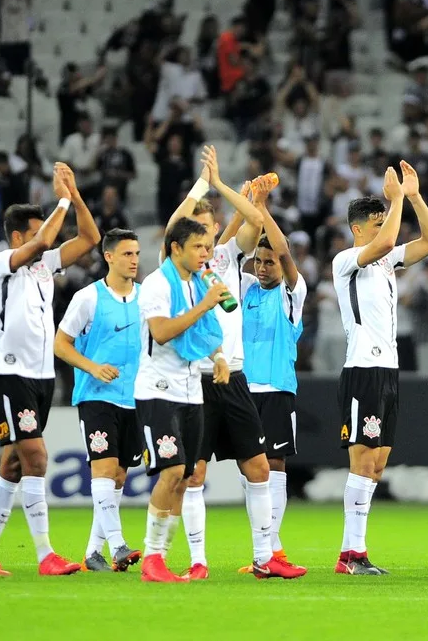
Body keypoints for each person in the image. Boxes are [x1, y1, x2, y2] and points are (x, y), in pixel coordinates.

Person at [163, 147, 303, 580]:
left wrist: (224, 185)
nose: (204, 242)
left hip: (236, 378)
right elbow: (172, 227)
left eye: (209, 231)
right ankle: (198, 562)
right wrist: (203, 184)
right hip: (198, 379)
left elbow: (257, 222)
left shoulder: (225, 261)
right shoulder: (177, 270)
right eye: (197, 234)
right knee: (195, 474)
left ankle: (265, 559)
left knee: (259, 467)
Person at [0, 164, 101, 577]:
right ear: (17, 237)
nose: (48, 237)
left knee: (12, 464)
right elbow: (46, 239)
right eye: (37, 231)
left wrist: (75, 195)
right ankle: (45, 554)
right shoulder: (0, 263)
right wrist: (60, 198)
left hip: (41, 376)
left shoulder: (44, 266)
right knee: (36, 457)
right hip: (10, 374)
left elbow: (91, 239)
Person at [333, 161, 428, 575]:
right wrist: (394, 201)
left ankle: (354, 551)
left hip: (388, 370)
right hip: (363, 369)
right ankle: (351, 554)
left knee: (377, 465)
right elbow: (386, 243)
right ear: (358, 228)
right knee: (363, 462)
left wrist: (412, 196)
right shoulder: (348, 260)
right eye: (377, 222)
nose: (385, 228)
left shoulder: (384, 261)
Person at [135, 217, 228, 583]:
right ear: (176, 248)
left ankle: (162, 559)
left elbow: (202, 331)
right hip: (157, 389)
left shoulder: (195, 283)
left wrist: (218, 355)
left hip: (190, 389)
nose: (205, 254)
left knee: (185, 477)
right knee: (172, 471)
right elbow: (160, 333)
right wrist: (205, 305)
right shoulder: (158, 284)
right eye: (198, 247)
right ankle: (151, 559)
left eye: (207, 247)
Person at [54, 228, 144, 572]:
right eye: (127, 254)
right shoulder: (88, 298)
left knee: (119, 476)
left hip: (134, 399)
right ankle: (119, 545)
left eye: (136, 254)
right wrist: (92, 367)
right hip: (96, 398)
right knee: (104, 469)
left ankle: (93, 552)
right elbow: (61, 344)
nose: (134, 260)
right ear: (109, 256)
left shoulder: (145, 298)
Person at [235, 175, 309, 576]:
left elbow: (282, 248)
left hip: (278, 389)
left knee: (275, 467)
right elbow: (234, 250)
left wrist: (261, 207)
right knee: (251, 473)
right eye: (258, 261)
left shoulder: (292, 293)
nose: (262, 267)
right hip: (244, 391)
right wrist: (247, 206)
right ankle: (262, 551)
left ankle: (274, 548)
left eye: (269, 261)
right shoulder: (244, 287)